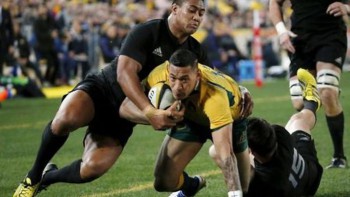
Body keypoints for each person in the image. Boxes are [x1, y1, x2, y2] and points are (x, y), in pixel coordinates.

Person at [13, 0, 209, 196]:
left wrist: (239, 92)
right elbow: (124, 73)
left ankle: (48, 178)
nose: (197, 17)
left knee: (92, 169)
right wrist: (149, 111)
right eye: (192, 10)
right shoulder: (148, 31)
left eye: (201, 13)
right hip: (103, 89)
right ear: (175, 9)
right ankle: (33, 177)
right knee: (66, 118)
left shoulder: (195, 51)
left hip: (124, 117)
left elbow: (214, 82)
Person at [120, 49, 253, 197]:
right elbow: (125, 107)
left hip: (231, 119)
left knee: (244, 189)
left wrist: (234, 193)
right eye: (173, 78)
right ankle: (192, 185)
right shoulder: (159, 74)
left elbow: (226, 155)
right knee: (163, 182)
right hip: (191, 119)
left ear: (197, 76)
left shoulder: (214, 97)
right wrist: (154, 115)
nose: (177, 87)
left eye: (184, 79)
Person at [269, 0, 347, 168]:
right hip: (300, 38)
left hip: (330, 36)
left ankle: (339, 156)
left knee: (327, 92)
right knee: (299, 102)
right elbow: (274, 2)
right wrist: (281, 31)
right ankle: (308, 157)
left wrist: (347, 8)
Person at [243, 68, 323, 196]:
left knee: (235, 159)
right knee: (298, 119)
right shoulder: (281, 134)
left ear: (251, 151)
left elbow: (217, 152)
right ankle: (312, 102)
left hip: (300, 185)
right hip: (311, 173)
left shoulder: (266, 183)